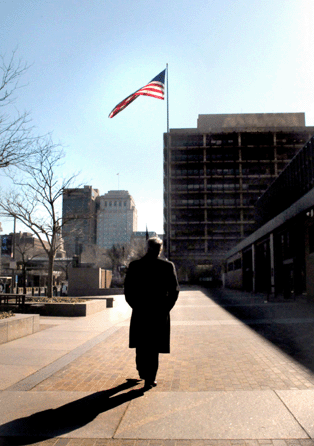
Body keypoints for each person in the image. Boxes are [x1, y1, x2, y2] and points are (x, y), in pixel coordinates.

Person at [124, 236, 179, 389]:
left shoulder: (135, 265)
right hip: (158, 313)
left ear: (147, 248)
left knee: (141, 344)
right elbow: (174, 291)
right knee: (153, 347)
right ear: (160, 250)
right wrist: (165, 308)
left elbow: (128, 291)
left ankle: (143, 371)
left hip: (141, 311)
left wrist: (136, 305)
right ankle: (150, 378)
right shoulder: (167, 266)